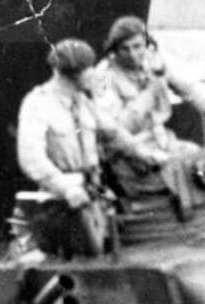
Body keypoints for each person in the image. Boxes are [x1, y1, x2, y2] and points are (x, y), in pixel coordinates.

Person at [16, 38, 167, 257]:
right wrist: (65, 188)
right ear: (71, 73)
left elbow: (113, 133)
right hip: (61, 204)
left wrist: (147, 154)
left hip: (94, 196)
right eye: (89, 70)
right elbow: (31, 158)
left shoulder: (83, 101)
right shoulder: (38, 104)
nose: (95, 75)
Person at [94, 15, 205, 215]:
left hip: (165, 143)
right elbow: (115, 128)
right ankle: (188, 228)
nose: (133, 54)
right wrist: (149, 92)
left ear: (146, 43)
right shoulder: (103, 76)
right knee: (183, 180)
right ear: (113, 50)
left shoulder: (155, 59)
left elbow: (191, 88)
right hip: (132, 156)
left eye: (137, 46)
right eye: (124, 49)